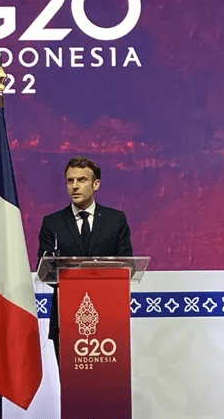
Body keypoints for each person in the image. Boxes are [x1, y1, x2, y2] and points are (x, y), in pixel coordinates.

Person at [37, 156, 133, 365]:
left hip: (108, 316)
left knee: (105, 383)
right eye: (70, 180)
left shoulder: (115, 220)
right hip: (65, 318)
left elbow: (127, 266)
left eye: (81, 180)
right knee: (71, 384)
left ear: (95, 184)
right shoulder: (52, 223)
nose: (75, 186)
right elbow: (44, 270)